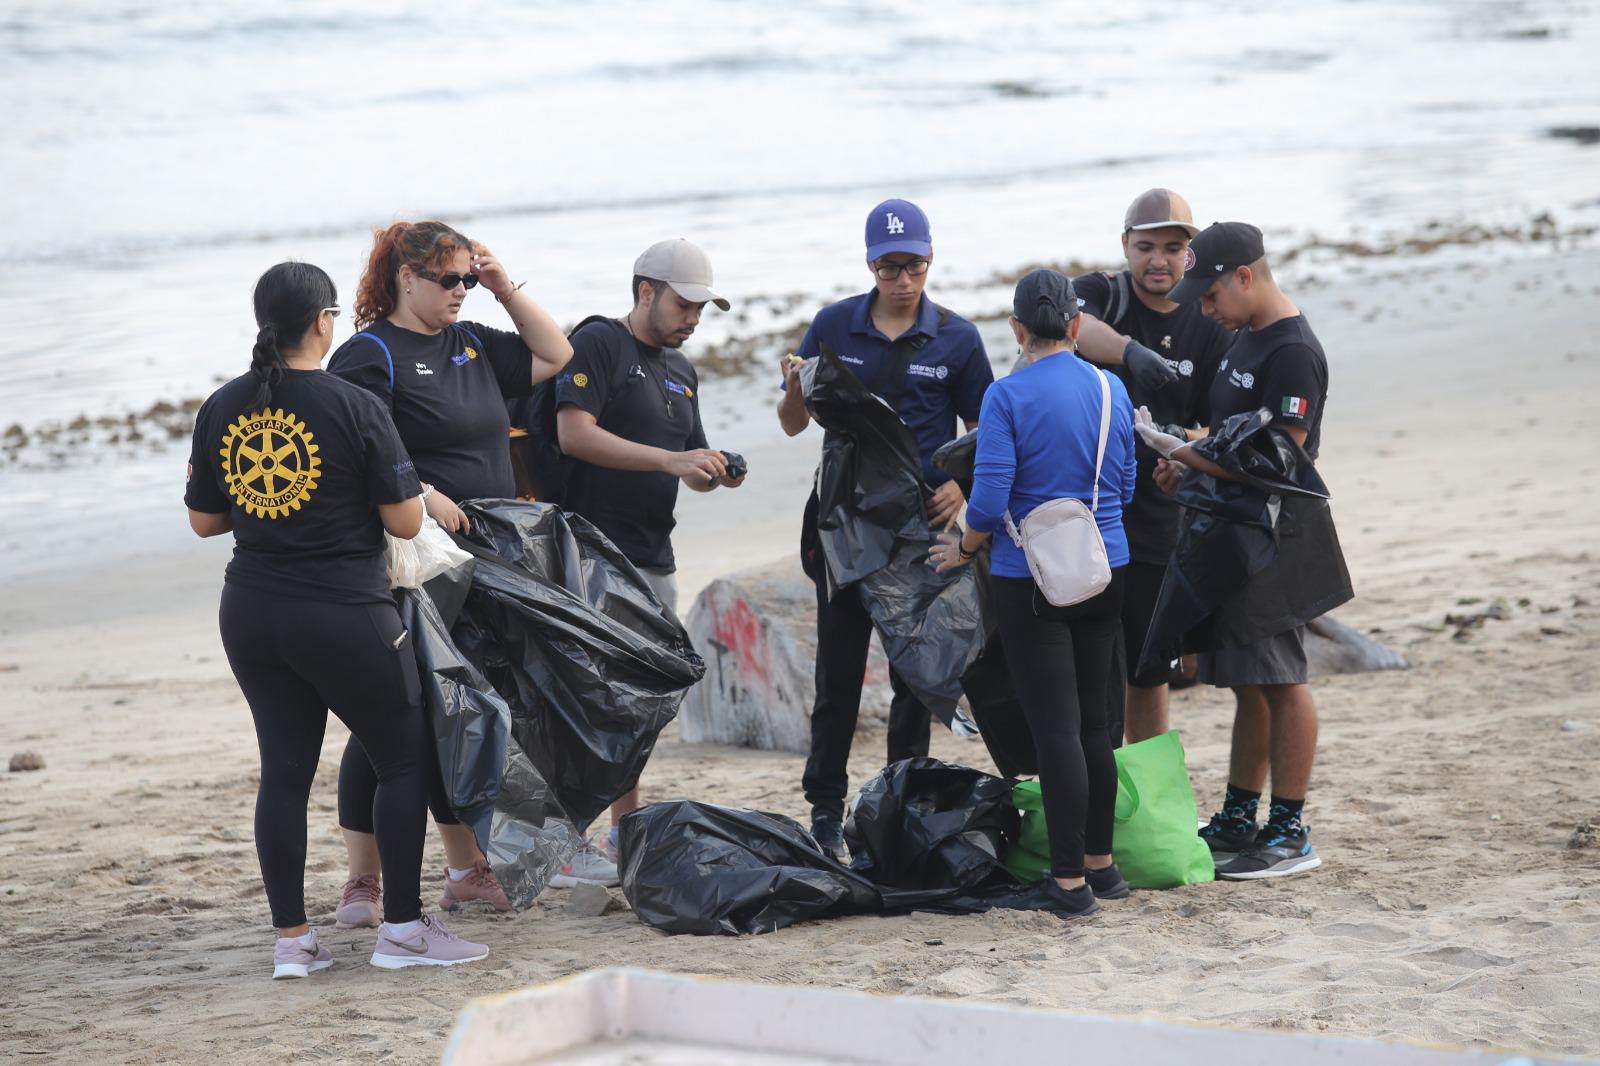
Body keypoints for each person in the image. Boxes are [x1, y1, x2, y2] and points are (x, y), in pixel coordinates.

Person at [185, 261, 488, 974]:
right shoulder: (353, 406)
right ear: (324, 321)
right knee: (404, 754)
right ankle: (406, 934)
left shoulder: (223, 406)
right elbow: (407, 519)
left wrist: (275, 507)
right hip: (343, 609)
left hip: (253, 610)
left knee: (284, 772)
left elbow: (205, 521)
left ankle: (293, 943)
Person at [327, 220, 573, 917]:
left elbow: (555, 355)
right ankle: (363, 880)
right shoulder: (371, 354)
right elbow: (358, 449)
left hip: (485, 557)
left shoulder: (470, 343)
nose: (461, 290)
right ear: (406, 279)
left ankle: (465, 869)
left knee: (463, 707)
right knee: (395, 717)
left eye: (469, 277)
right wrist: (426, 492)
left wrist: (504, 288)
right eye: (449, 280)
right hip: (415, 562)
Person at [778, 199, 994, 858]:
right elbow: (793, 423)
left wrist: (963, 485)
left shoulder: (957, 338)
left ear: (930, 260)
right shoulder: (833, 325)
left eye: (915, 265)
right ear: (870, 264)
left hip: (919, 530)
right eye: (890, 266)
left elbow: (991, 432)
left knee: (916, 677)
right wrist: (792, 387)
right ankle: (824, 808)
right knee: (837, 678)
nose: (903, 279)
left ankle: (902, 797)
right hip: (843, 528)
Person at [929, 269, 1137, 918]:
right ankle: (1103, 869)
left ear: (1017, 330)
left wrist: (962, 548)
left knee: (1056, 731)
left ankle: (1069, 884)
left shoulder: (1006, 397)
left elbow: (988, 501)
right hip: (1107, 569)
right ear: (1075, 326)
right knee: (1097, 726)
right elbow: (1126, 487)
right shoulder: (1111, 388)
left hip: (1033, 581)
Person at [1137, 221, 1330, 880]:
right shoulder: (1242, 340)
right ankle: (1239, 816)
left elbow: (1281, 456)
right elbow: (1227, 433)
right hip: (1228, 532)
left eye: (1211, 293)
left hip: (1273, 536)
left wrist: (1190, 454)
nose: (1203, 308)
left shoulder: (1292, 352)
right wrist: (1184, 457)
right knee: (1248, 682)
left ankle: (1290, 828)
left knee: (1283, 680)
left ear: (1244, 276)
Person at [553, 237, 746, 885]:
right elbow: (572, 434)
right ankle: (567, 839)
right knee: (591, 700)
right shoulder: (601, 343)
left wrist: (710, 470)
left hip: (652, 555)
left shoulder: (681, 371)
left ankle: (624, 833)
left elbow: (687, 463)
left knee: (639, 707)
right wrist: (669, 460)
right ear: (645, 291)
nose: (694, 318)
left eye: (703, 308)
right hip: (590, 552)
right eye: (685, 304)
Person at [1071, 189, 1232, 744]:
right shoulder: (1102, 294)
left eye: (1172, 247)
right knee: (1082, 667)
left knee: (1147, 670)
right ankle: (1089, 789)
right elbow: (1066, 325)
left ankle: (1139, 794)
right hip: (1085, 515)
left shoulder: (1210, 322)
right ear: (1124, 245)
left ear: (1191, 253)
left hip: (1161, 518)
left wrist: (1180, 446)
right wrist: (1130, 353)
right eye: (1144, 247)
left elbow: (1222, 426)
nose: (1157, 260)